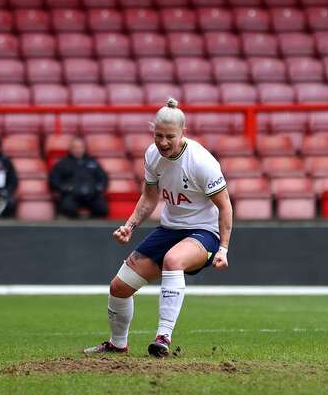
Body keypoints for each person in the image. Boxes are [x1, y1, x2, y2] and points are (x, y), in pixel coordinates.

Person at [83, 98, 232, 358]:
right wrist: (130, 225)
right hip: (169, 229)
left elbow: (225, 206)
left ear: (183, 133)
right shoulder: (152, 155)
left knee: (174, 260)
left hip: (203, 233)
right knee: (119, 287)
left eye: (169, 137)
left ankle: (163, 337)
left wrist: (223, 248)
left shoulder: (201, 162)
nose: (163, 142)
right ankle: (117, 344)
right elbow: (150, 197)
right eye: (158, 135)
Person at [49, 137, 109, 219]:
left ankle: (92, 226)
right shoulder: (63, 163)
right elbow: (54, 180)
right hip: (72, 195)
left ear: (84, 148)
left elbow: (103, 178)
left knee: (102, 208)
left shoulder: (92, 162)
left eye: (80, 147)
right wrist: (64, 188)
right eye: (75, 147)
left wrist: (98, 188)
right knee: (67, 208)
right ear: (71, 149)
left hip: (91, 194)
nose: (78, 150)